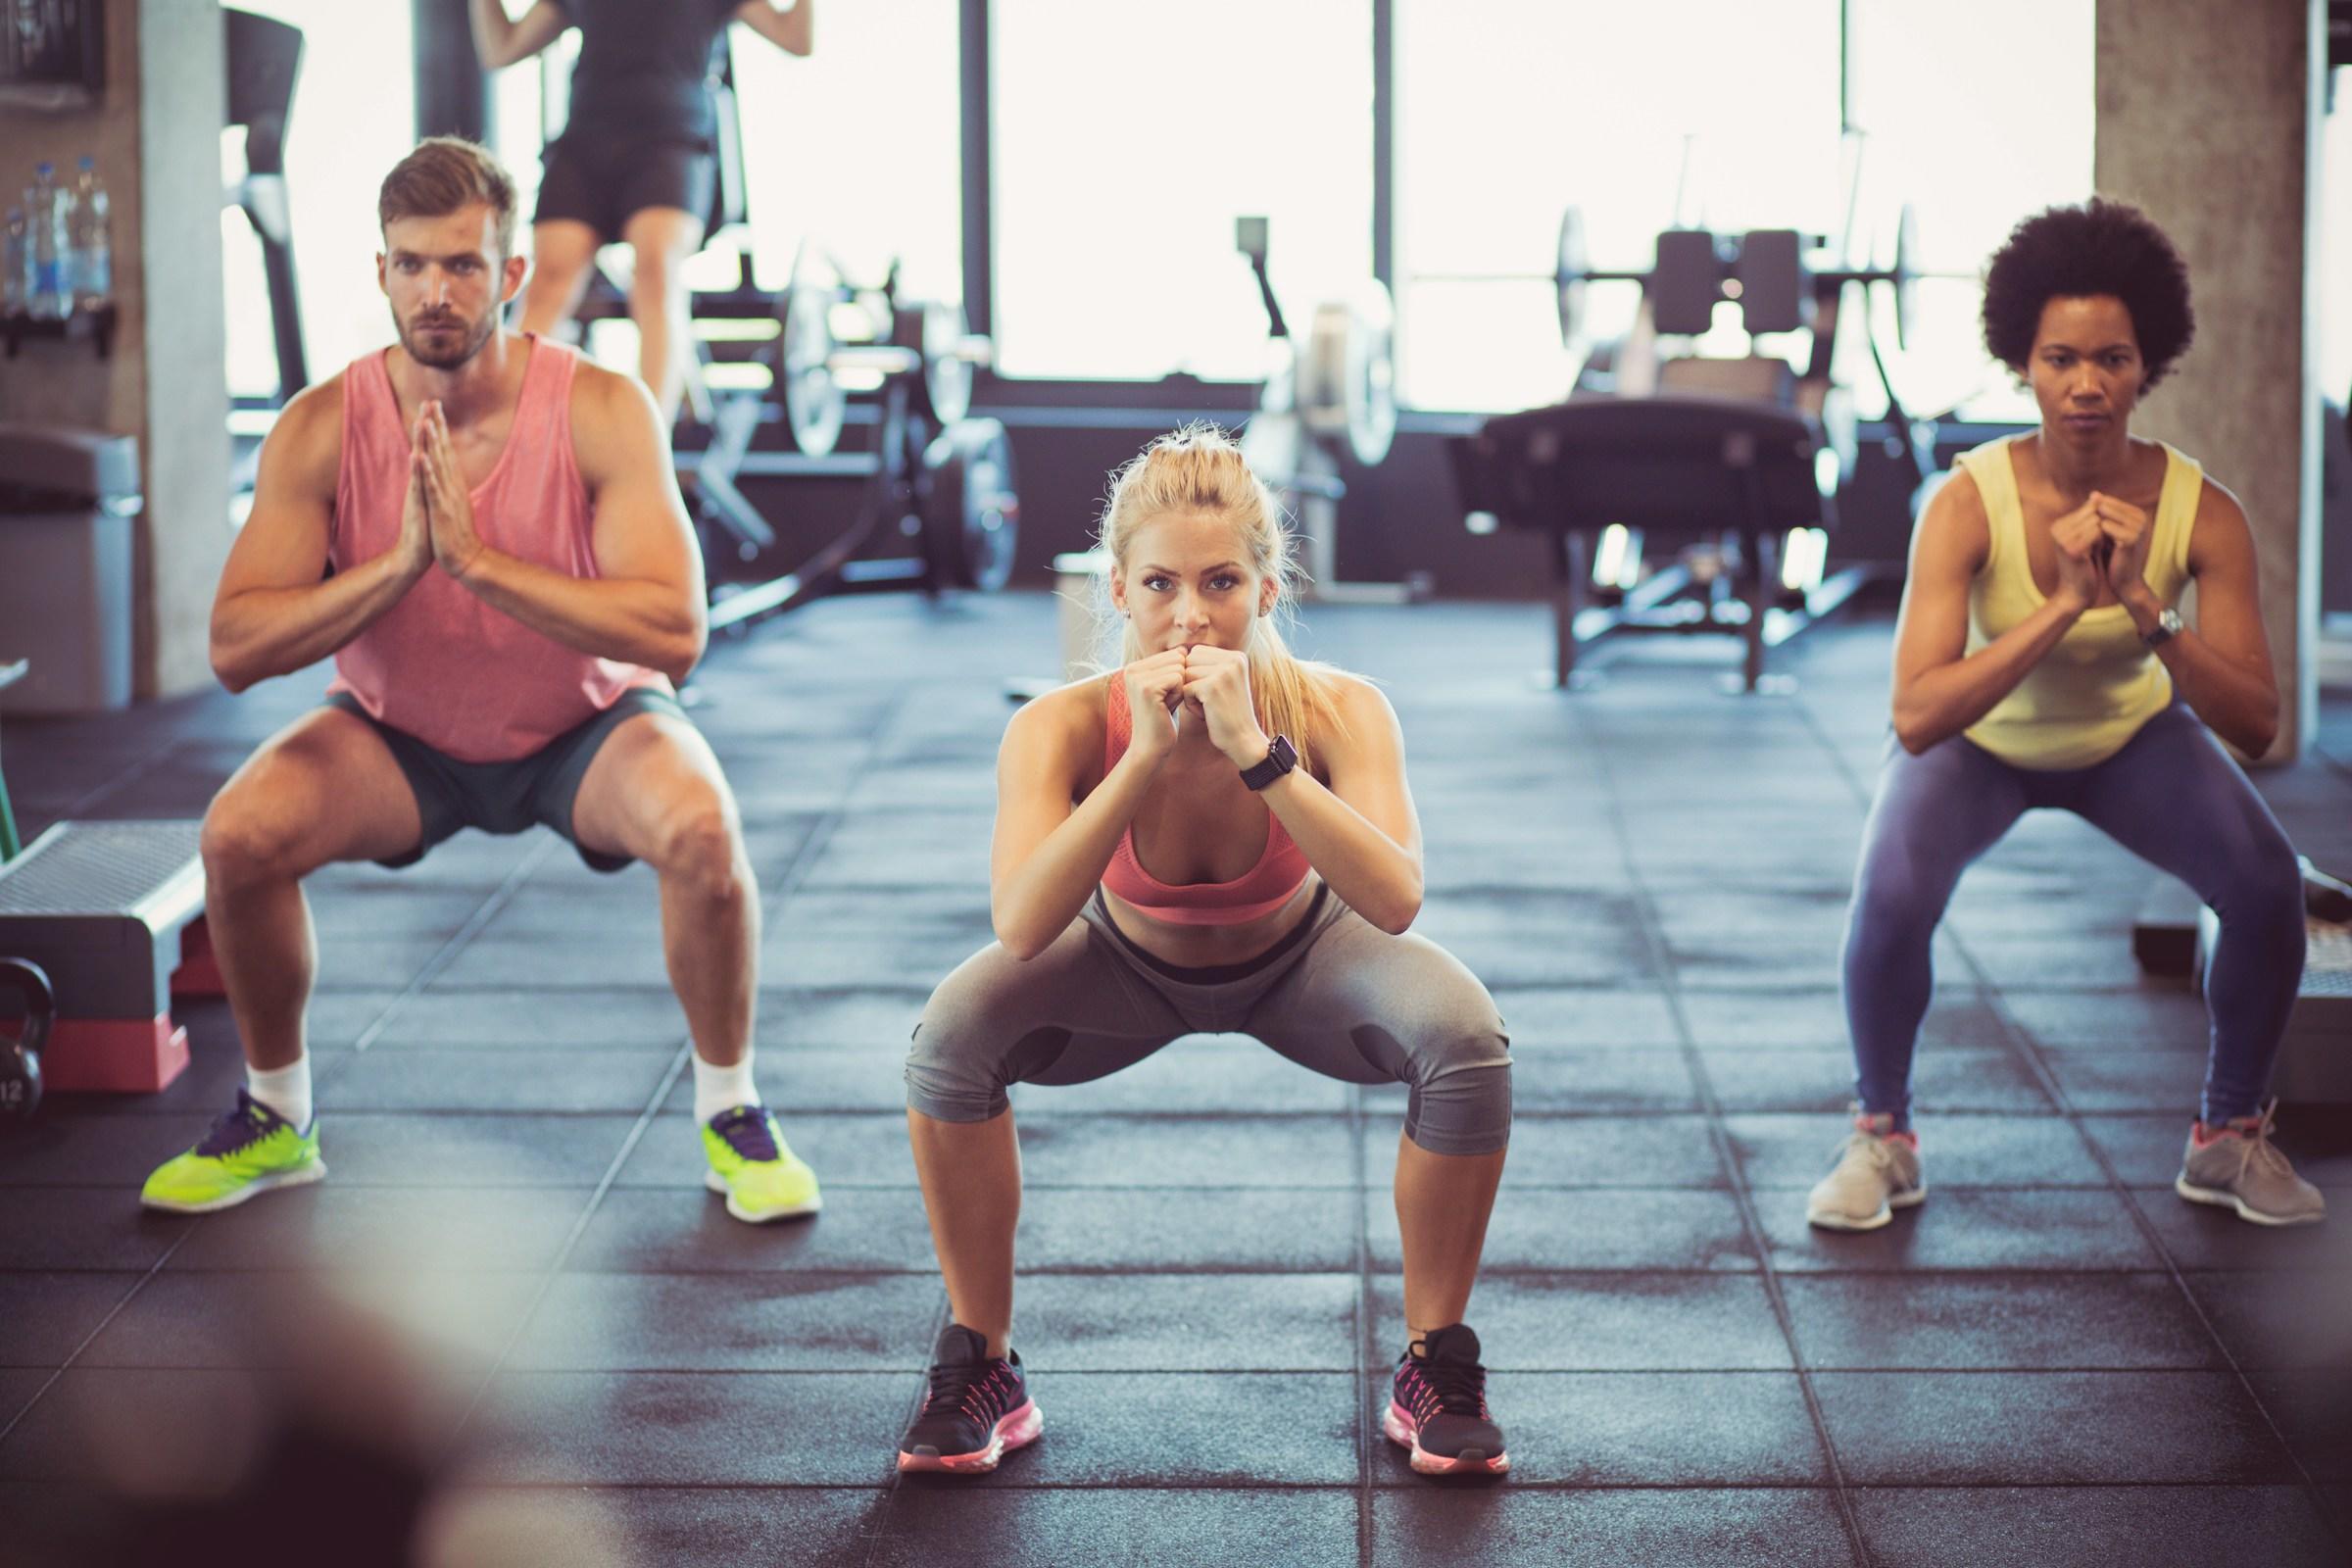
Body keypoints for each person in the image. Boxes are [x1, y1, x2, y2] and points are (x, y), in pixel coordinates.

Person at [140, 138, 818, 1225]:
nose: (435, 290)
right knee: (238, 836)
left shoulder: (600, 408)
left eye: (461, 265)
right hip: (397, 735)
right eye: (412, 264)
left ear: (511, 275)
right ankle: (277, 1115)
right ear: (381, 273)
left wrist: (482, 566)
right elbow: (235, 647)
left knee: (701, 831)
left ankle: (732, 1109)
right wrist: (397, 569)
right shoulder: (323, 426)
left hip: (586, 724)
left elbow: (676, 632)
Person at [894, 428, 1515, 1478]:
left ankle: (1434, 1359)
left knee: (1464, 1036)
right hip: (1117, 966)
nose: (1191, 614)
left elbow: (1396, 900)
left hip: (1306, 958)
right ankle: (982, 1357)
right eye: (1162, 584)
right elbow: (1023, 926)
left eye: (1222, 581)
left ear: (1268, 588)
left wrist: (1257, 754)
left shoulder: (1340, 708)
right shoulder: (1055, 728)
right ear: (1120, 591)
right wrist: (1141, 756)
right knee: (950, 1037)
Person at [1808, 199, 2320, 1232]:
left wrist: (2142, 605)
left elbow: (2256, 722)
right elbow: (1916, 716)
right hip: (1981, 747)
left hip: (2129, 738)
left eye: (2112, 358)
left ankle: (2228, 1136)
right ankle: (1882, 1134)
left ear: (2148, 366)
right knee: (1891, 895)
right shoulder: (1965, 503)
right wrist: (2063, 606)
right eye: (2060, 359)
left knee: (2266, 886)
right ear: (2024, 364)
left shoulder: (2200, 511)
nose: (2086, 384)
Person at [468, 0, 813, 422]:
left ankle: (648, 438)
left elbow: (795, 39)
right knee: (549, 281)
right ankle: (508, 429)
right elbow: (501, 49)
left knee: (655, 270)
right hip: (586, 143)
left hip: (670, 143)